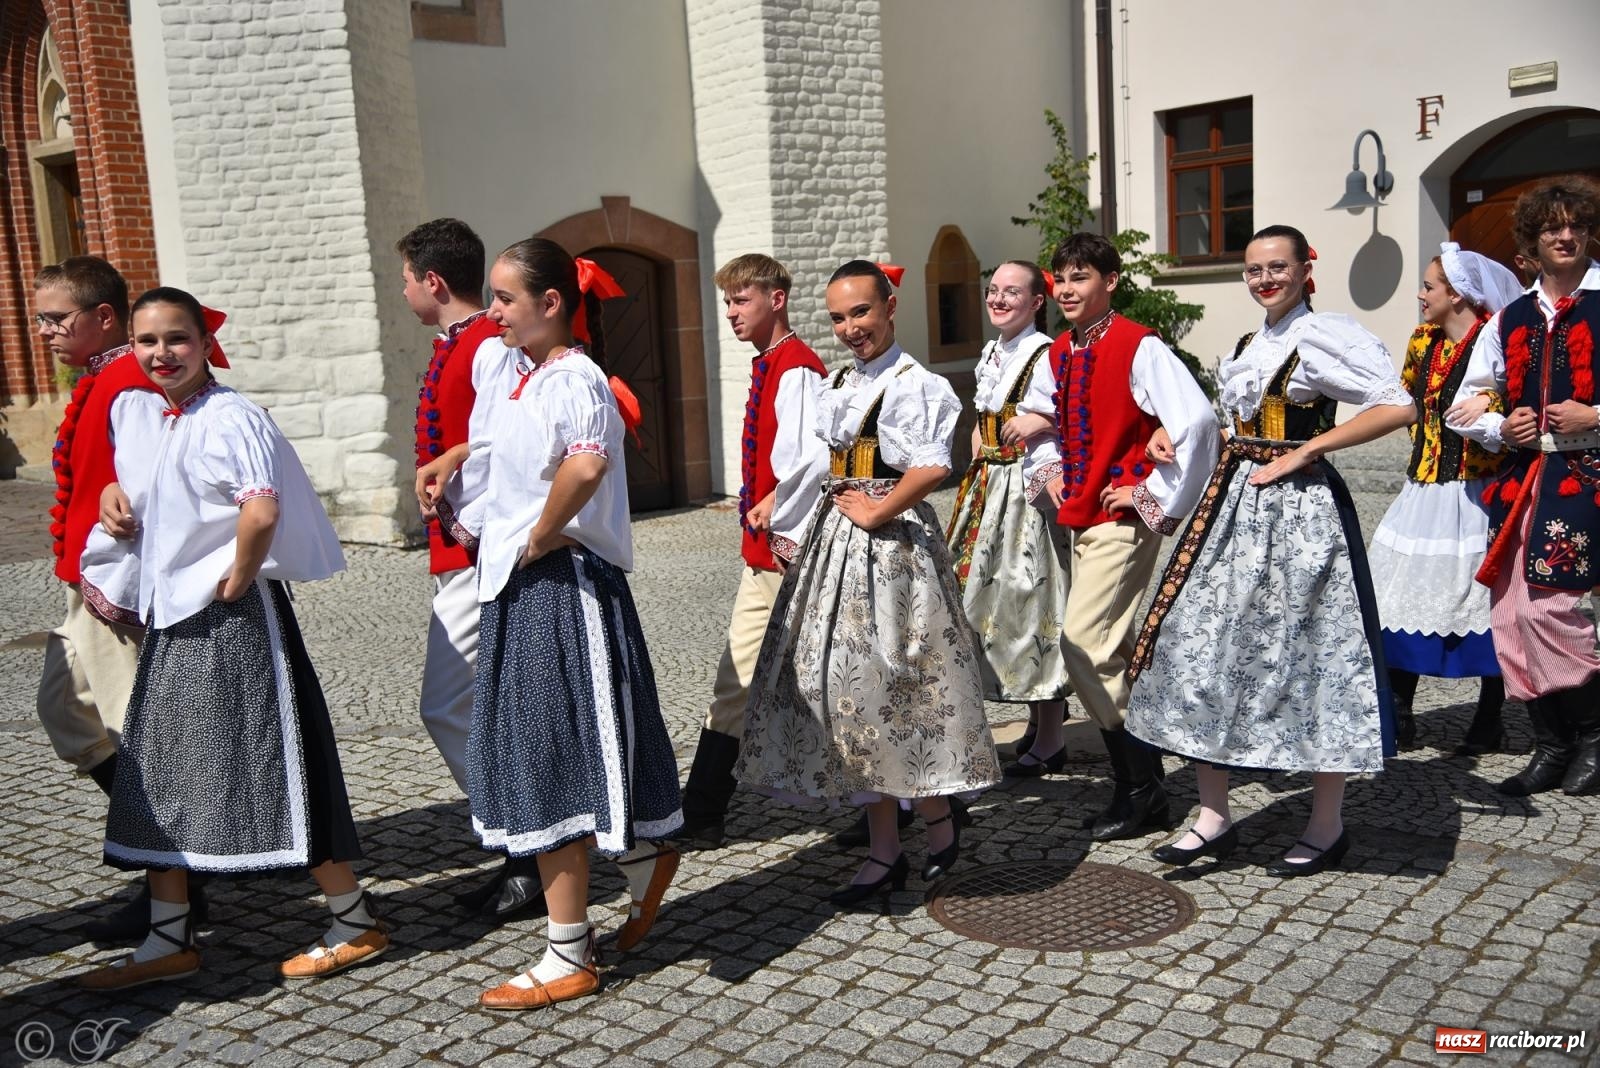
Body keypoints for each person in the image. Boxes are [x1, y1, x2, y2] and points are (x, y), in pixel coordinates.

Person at [77, 287, 381, 989]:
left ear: (204, 343)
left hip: (234, 621)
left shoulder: (231, 415)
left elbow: (261, 509)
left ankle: (354, 919)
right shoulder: (138, 411)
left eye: (177, 339)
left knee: (278, 763)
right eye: (147, 341)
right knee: (161, 770)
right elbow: (140, 488)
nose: (162, 354)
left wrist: (237, 577)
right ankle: (167, 936)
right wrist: (110, 500)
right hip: (172, 620)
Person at [417, 238, 682, 1010]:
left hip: (559, 586)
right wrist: (459, 454)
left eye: (504, 298)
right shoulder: (528, 378)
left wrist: (540, 533)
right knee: (557, 742)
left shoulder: (575, 376)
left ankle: (569, 951)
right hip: (524, 582)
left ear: (551, 303)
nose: (492, 310)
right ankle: (638, 860)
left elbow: (589, 462)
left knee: (547, 752)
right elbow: (519, 446)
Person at [1127, 224, 1415, 876]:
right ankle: (1212, 814)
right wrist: (1160, 441)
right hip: (1233, 507)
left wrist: (1312, 448)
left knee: (1314, 656)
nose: (1264, 279)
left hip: (1302, 515)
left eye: (1277, 267)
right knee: (1202, 645)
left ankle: (1326, 823)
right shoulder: (1248, 343)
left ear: (1304, 268)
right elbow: (1222, 425)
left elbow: (1398, 407)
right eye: (1255, 269)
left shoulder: (1325, 335)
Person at [736, 259, 1000, 905]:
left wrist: (879, 509)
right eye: (838, 317)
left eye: (861, 312)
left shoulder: (917, 384)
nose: (851, 327)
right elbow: (820, 465)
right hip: (839, 550)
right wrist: (799, 511)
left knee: (896, 687)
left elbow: (934, 464)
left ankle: (934, 818)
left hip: (895, 557)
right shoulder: (842, 382)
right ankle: (890, 846)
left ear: (889, 306)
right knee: (844, 698)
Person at [1014, 233, 1218, 839]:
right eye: (1061, 278)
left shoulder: (1138, 346)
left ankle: (1141, 783)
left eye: (1081, 277)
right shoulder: (1060, 352)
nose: (1068, 289)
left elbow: (1198, 421)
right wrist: (1048, 468)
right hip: (1082, 515)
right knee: (1109, 648)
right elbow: (1039, 417)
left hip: (1121, 519)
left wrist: (1149, 492)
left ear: (1110, 282)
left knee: (1084, 643)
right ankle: (1143, 778)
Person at [31, 256, 180, 942]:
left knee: (133, 732)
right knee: (64, 710)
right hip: (84, 581)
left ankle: (173, 881)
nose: (45, 332)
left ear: (104, 317)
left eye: (57, 319)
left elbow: (170, 466)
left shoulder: (133, 378)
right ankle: (171, 858)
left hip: (116, 586)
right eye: (40, 319)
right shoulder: (101, 377)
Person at [396, 218, 540, 920]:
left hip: (481, 553)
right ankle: (525, 842)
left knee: (449, 703)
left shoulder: (487, 345)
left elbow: (506, 443)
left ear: (432, 280)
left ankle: (525, 842)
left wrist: (476, 529)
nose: (403, 290)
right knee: (476, 704)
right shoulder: (464, 343)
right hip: (462, 551)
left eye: (404, 277)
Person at [1447, 176, 1600, 797]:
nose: (1565, 235)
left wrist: (1596, 417)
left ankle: (1591, 735)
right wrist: (1498, 423)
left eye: (1575, 225)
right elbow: (1463, 404)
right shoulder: (1509, 317)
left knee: (1554, 604)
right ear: (1532, 243)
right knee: (1509, 609)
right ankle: (1552, 742)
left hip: (1586, 474)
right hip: (1523, 476)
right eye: (1551, 228)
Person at [677, 254, 826, 848]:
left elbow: (812, 460)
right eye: (728, 302)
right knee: (751, 680)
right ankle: (704, 810)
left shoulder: (796, 369)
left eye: (742, 300)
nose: (733, 313)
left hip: (784, 554)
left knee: (804, 681)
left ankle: (705, 811)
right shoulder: (771, 366)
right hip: (766, 553)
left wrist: (775, 505)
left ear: (777, 299)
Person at [1367, 244, 1522, 753]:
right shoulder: (1423, 342)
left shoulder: (1495, 340)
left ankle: (1489, 716)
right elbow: (1407, 403)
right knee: (1395, 595)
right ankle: (1401, 710)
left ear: (1458, 294)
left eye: (1430, 286)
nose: (1420, 294)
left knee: (1484, 602)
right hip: (1423, 488)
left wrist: (1491, 401)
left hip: (1478, 491)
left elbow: (1518, 401)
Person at [945, 261, 1072, 771]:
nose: (997, 300)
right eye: (993, 291)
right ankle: (1039, 726)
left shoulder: (1046, 354)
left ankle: (1052, 735)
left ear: (1037, 302)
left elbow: (1066, 412)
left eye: (1011, 292)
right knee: (989, 599)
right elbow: (984, 417)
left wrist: (1035, 421)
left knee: (1032, 599)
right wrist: (979, 451)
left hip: (1027, 489)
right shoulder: (994, 351)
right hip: (989, 485)